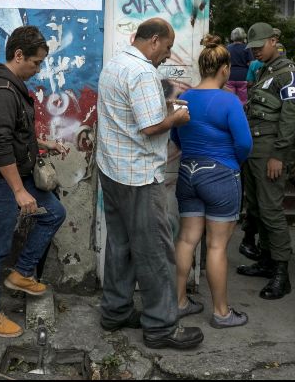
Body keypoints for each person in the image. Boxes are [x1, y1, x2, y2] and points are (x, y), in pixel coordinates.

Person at [96, 18, 203, 350]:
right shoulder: (143, 73)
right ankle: (160, 326)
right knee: (155, 252)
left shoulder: (115, 63)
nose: (168, 56)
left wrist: (163, 108)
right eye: (167, 48)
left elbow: (130, 115)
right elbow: (149, 127)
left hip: (113, 170)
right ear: (154, 40)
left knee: (121, 245)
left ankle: (116, 311)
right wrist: (176, 117)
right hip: (139, 177)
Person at [0, 25, 67, 338]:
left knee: (54, 212)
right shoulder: (2, 90)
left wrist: (44, 144)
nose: (38, 70)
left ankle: (22, 272)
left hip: (10, 175)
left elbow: (13, 133)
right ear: (18, 55)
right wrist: (19, 191)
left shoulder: (9, 87)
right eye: (36, 63)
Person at [171, 34, 252, 328]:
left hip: (187, 172)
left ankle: (178, 302)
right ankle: (221, 313)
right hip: (220, 174)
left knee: (186, 238)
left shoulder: (185, 97)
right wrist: (230, 162)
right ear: (224, 69)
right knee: (217, 247)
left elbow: (175, 135)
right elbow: (244, 144)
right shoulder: (229, 101)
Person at [237, 22, 295, 301]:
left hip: (270, 152)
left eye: (259, 47)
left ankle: (280, 274)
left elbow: (291, 116)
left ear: (274, 40)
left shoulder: (287, 72)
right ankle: (265, 260)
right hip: (255, 150)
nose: (254, 53)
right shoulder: (266, 70)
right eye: (251, 49)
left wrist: (278, 154)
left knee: (272, 211)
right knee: (257, 209)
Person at [226, 27, 252, 105]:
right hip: (243, 76)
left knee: (230, 99)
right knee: (243, 100)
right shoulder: (247, 48)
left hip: (230, 76)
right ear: (243, 36)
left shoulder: (227, 48)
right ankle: (242, 114)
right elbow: (250, 63)